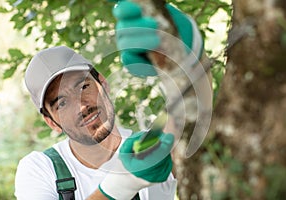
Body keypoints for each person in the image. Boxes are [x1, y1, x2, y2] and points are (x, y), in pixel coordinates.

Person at [15, 1, 204, 199]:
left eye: (83, 86)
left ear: (103, 84)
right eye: (61, 103)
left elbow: (197, 117)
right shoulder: (40, 169)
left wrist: (190, 55)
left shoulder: (152, 148)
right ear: (52, 122)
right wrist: (124, 183)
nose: (81, 105)